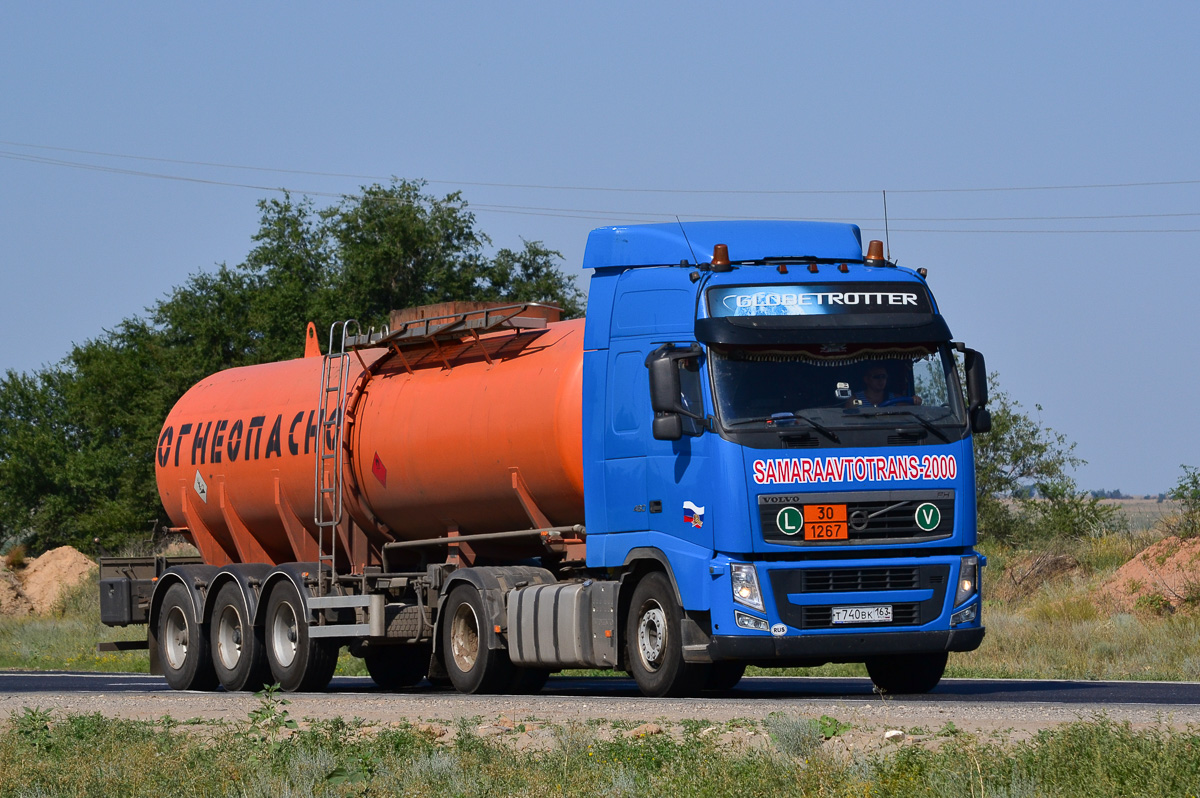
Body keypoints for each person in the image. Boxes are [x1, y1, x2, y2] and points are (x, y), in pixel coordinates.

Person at [852, 364, 921, 407]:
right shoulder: (854, 400)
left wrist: (915, 401)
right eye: (876, 377)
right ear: (866, 379)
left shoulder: (897, 400)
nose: (881, 380)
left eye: (883, 376)